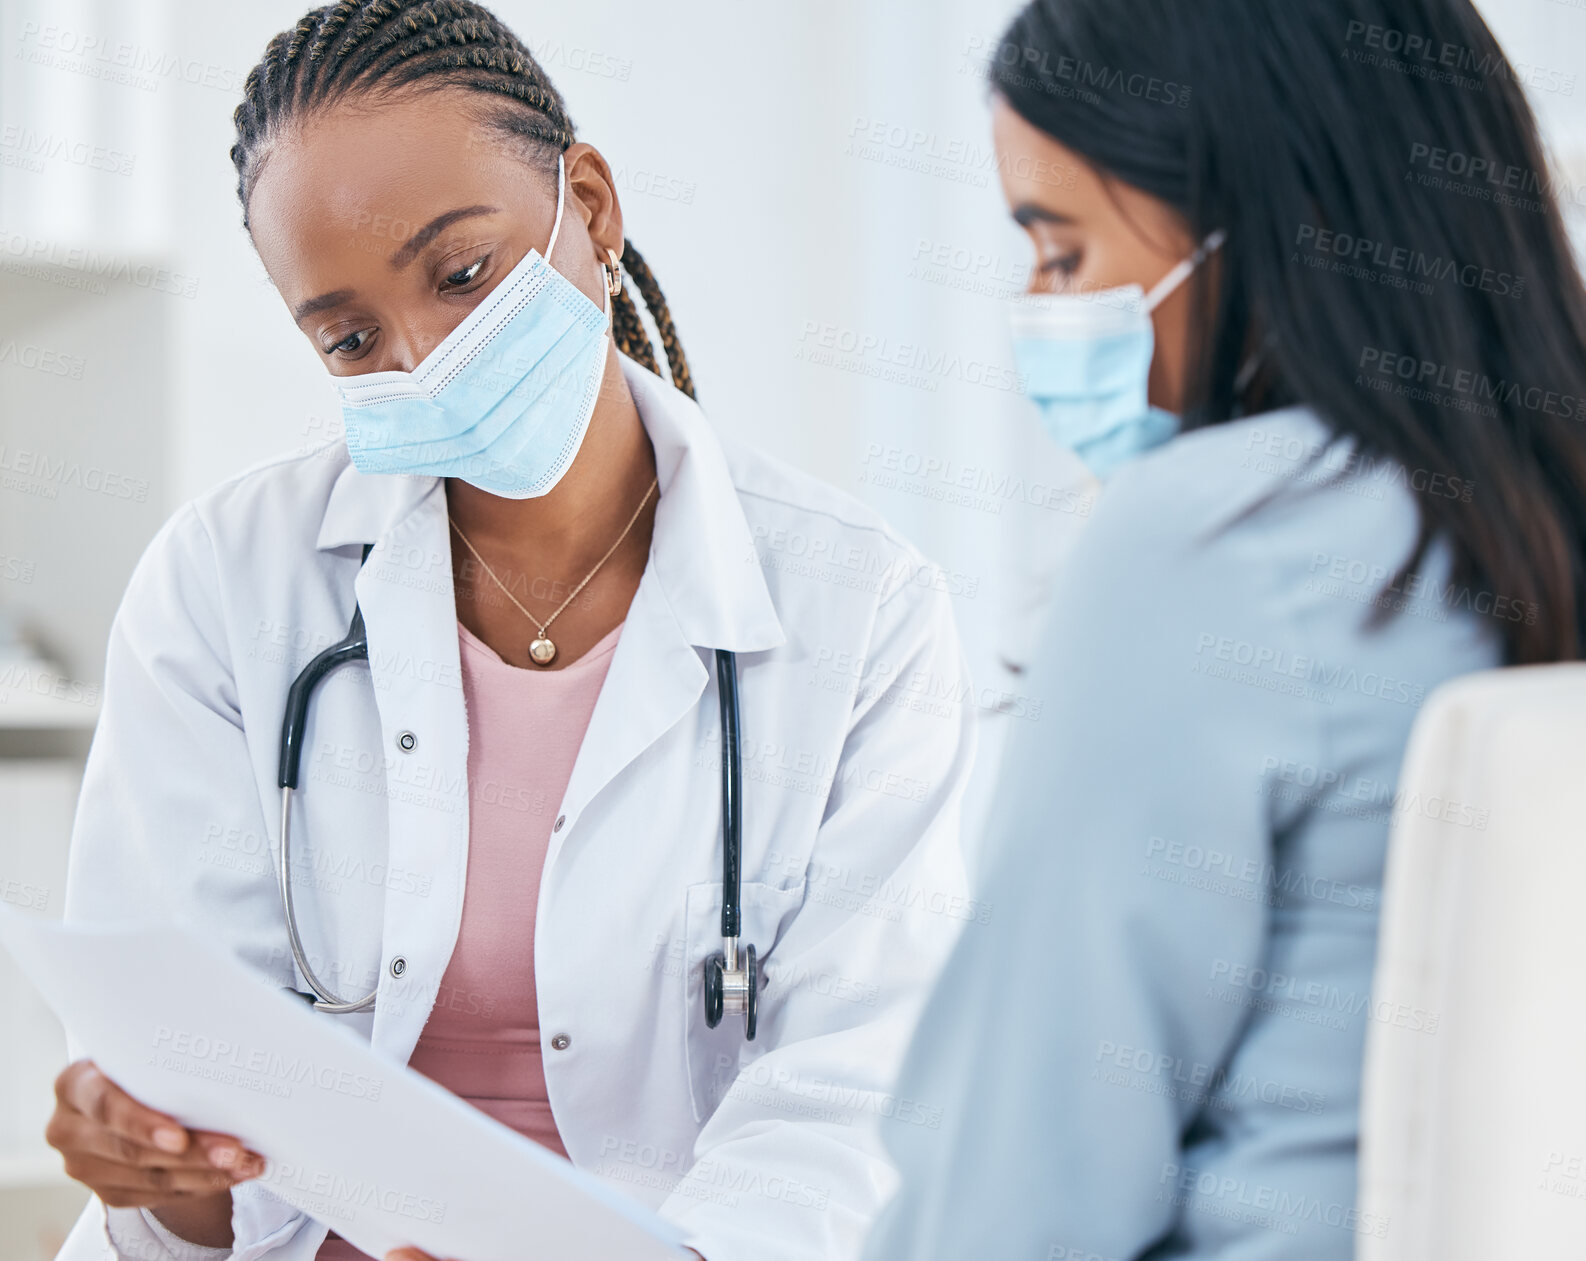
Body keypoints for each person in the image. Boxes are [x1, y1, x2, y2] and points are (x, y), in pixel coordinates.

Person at [44, 4, 975, 1261]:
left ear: (587, 205)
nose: (424, 357)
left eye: (462, 273)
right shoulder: (226, 581)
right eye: (352, 336)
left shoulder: (858, 608)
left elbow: (855, 1089)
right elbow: (199, 1093)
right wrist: (163, 1167)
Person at [863, 0, 1586, 1257]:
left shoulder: (1215, 538)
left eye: (1064, 252)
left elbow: (1019, 1190)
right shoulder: (1528, 513)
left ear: (1250, 218)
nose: (1040, 306)